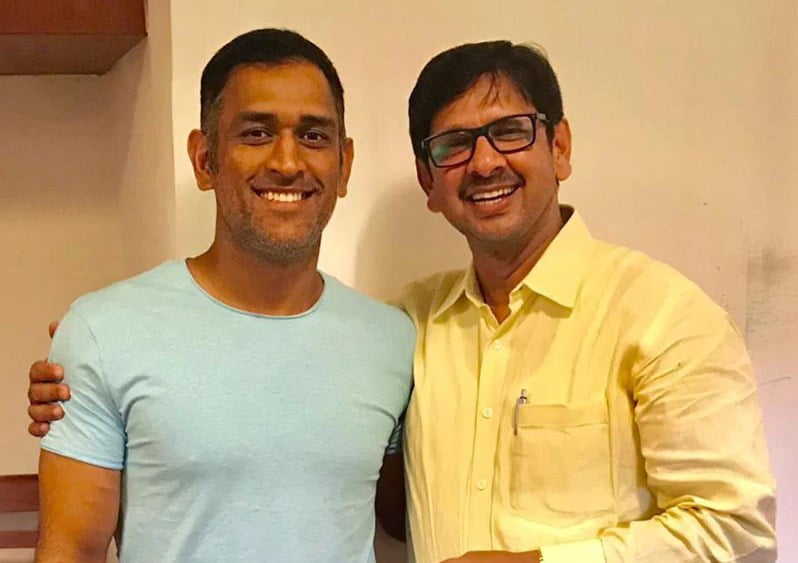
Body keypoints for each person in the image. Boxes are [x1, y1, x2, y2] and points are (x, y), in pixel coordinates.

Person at [27, 40, 777, 563]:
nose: (485, 162)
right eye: (454, 145)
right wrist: (100, 349)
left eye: (511, 132)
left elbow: (740, 528)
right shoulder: (409, 326)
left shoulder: (661, 315)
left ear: (561, 148)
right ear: (428, 179)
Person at [27, 28, 413, 563]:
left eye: (313, 136)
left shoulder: (393, 340)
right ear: (205, 159)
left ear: (344, 165)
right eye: (256, 133)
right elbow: (70, 550)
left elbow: (401, 516)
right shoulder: (103, 331)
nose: (287, 162)